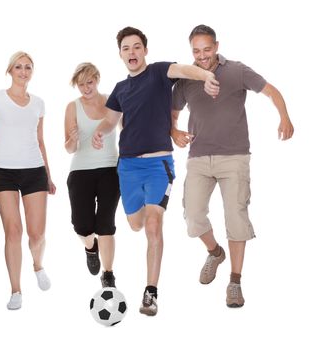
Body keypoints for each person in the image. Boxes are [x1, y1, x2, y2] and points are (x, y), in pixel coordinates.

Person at [92, 26, 219, 316]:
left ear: (145, 50)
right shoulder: (120, 90)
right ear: (120, 54)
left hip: (158, 164)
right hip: (127, 167)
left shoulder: (160, 72)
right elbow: (110, 121)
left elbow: (187, 69)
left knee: (152, 225)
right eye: (126, 48)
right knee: (136, 224)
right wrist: (100, 132)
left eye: (137, 47)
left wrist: (207, 75)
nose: (132, 52)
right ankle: (148, 269)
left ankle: (151, 293)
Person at [171, 25, 294, 308]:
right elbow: (172, 113)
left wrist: (284, 117)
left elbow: (271, 91)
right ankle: (215, 252)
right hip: (199, 157)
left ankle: (235, 281)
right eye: (196, 51)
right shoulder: (187, 79)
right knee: (192, 217)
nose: (202, 56)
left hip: (234, 157)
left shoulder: (237, 71)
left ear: (216, 46)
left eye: (207, 49)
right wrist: (173, 131)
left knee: (236, 218)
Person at [0, 51, 56, 310]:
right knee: (13, 231)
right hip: (4, 172)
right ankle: (15, 290)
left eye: (28, 67)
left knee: (37, 234)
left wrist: (49, 175)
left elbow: (41, 140)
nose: (23, 71)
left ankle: (38, 265)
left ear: (32, 72)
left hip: (34, 170)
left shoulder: (39, 104)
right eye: (19, 67)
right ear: (10, 71)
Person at [65, 62, 120, 288]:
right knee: (82, 225)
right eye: (81, 84)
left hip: (110, 169)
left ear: (97, 78)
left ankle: (108, 274)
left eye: (89, 82)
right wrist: (72, 140)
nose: (86, 88)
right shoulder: (72, 107)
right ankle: (90, 248)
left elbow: (127, 130)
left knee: (105, 224)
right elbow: (68, 148)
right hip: (80, 171)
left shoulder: (112, 101)